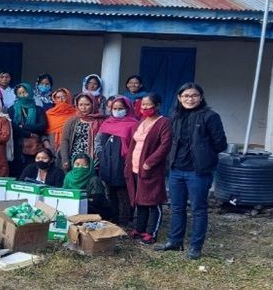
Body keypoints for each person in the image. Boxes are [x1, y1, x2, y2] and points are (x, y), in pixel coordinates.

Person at [156, 83, 227, 260]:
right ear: (179, 98)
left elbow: (221, 144)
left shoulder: (210, 116)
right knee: (176, 207)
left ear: (201, 97)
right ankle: (175, 241)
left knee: (198, 209)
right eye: (186, 96)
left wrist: (204, 154)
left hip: (198, 172)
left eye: (194, 95)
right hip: (176, 170)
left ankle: (195, 247)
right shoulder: (174, 116)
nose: (190, 99)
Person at [125, 93, 171, 245]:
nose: (144, 107)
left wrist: (150, 162)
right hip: (136, 167)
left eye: (148, 105)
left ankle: (151, 233)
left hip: (151, 169)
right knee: (140, 199)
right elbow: (134, 143)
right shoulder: (141, 121)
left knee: (153, 201)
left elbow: (165, 145)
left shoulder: (163, 122)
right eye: (142, 104)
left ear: (157, 106)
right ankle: (140, 229)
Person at [95, 95, 137, 226]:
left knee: (124, 194)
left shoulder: (134, 124)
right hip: (107, 163)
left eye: (121, 108)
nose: (117, 111)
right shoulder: (107, 123)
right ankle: (113, 219)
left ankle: (124, 221)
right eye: (115, 108)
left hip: (124, 163)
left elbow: (136, 144)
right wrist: (101, 156)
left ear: (127, 108)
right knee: (110, 193)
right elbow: (98, 142)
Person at [8, 83, 48, 176]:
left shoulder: (38, 110)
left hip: (33, 146)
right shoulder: (12, 109)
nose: (23, 95)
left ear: (30, 92)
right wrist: (29, 134)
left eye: (25, 92)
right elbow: (12, 126)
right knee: (16, 171)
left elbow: (42, 126)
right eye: (20, 93)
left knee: (31, 171)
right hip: (16, 144)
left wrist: (24, 126)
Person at [58, 94, 105, 172]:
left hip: (94, 160)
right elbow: (65, 141)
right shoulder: (72, 121)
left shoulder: (101, 121)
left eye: (87, 104)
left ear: (93, 104)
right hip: (75, 159)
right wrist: (65, 159)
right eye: (81, 105)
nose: (83, 108)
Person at [63, 154, 111, 219]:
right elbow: (64, 195)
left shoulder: (94, 180)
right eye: (77, 165)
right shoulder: (68, 177)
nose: (80, 168)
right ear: (72, 165)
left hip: (92, 215)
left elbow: (98, 202)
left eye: (84, 165)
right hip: (70, 212)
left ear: (90, 167)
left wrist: (81, 201)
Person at [44, 88, 78, 153]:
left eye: (64, 97)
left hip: (71, 146)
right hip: (52, 146)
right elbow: (43, 131)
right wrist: (46, 143)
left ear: (68, 97)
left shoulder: (76, 113)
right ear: (54, 99)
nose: (61, 100)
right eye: (58, 97)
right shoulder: (49, 113)